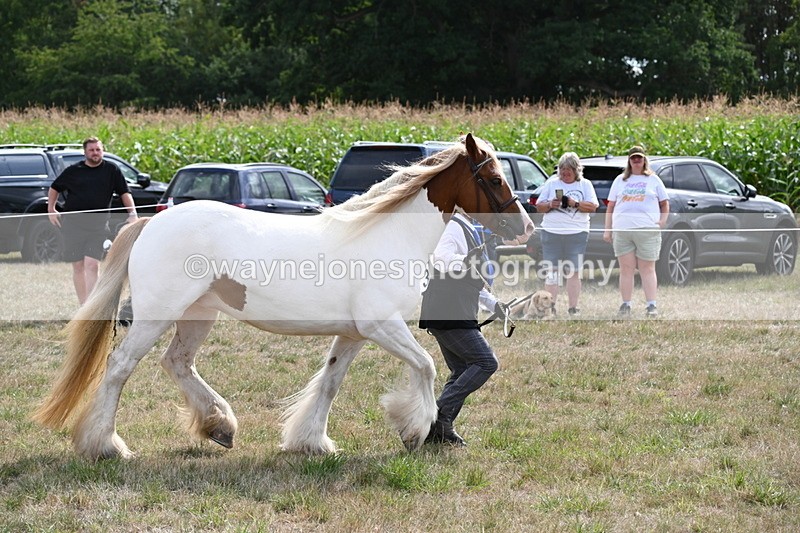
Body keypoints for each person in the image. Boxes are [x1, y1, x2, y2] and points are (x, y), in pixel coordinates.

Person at [419, 211, 504, 446]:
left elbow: (473, 278)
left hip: (451, 310)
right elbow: (440, 258)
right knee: (486, 362)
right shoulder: (454, 226)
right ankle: (436, 417)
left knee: (460, 370)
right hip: (448, 310)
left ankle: (441, 430)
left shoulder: (468, 227)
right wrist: (464, 260)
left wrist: (494, 305)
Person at [47, 137, 138, 304]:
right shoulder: (74, 171)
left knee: (92, 264)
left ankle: (92, 305)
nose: (95, 153)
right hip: (72, 226)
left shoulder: (112, 170)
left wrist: (132, 213)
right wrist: (51, 209)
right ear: (85, 152)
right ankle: (83, 305)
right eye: (92, 150)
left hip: (97, 227)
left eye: (98, 149)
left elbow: (125, 192)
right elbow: (54, 188)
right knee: (78, 266)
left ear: (102, 151)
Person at [603, 145, 669, 317]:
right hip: (623, 230)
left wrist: (662, 221)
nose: (636, 161)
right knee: (626, 269)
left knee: (647, 268)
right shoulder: (620, 180)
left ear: (644, 160)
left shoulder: (653, 180)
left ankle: (651, 305)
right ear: (629, 161)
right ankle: (626, 304)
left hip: (647, 229)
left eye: (639, 158)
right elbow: (610, 206)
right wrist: (607, 230)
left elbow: (664, 203)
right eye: (633, 158)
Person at [535, 152, 598, 316]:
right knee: (552, 271)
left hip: (577, 233)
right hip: (551, 232)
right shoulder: (551, 183)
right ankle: (550, 308)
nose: (564, 173)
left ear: (576, 170)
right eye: (562, 169)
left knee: (573, 271)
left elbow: (593, 207)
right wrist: (550, 204)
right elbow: (538, 206)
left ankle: (573, 307)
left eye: (568, 170)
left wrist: (574, 203)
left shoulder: (585, 185)